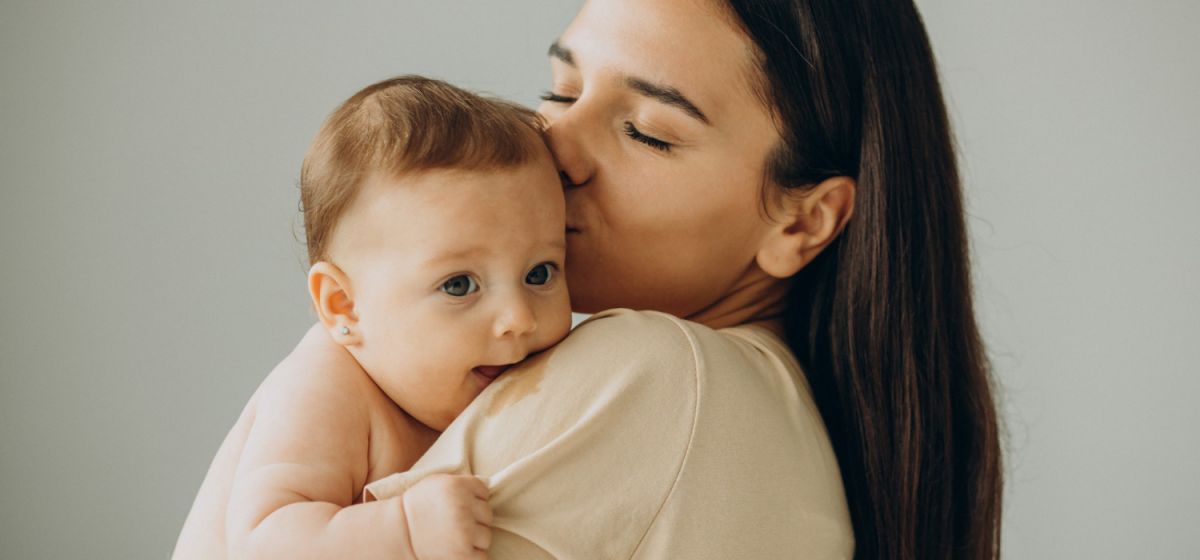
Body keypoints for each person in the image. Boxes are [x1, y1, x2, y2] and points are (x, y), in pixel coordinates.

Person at [219, 0, 1007, 557]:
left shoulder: (660, 377)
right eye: (561, 91)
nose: (552, 146)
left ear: (801, 220)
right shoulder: (768, 414)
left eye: (646, 131)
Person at [172, 76, 573, 559]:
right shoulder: (326, 388)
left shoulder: (475, 381)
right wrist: (403, 529)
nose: (518, 318)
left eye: (539, 272)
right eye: (459, 285)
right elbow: (263, 545)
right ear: (344, 307)